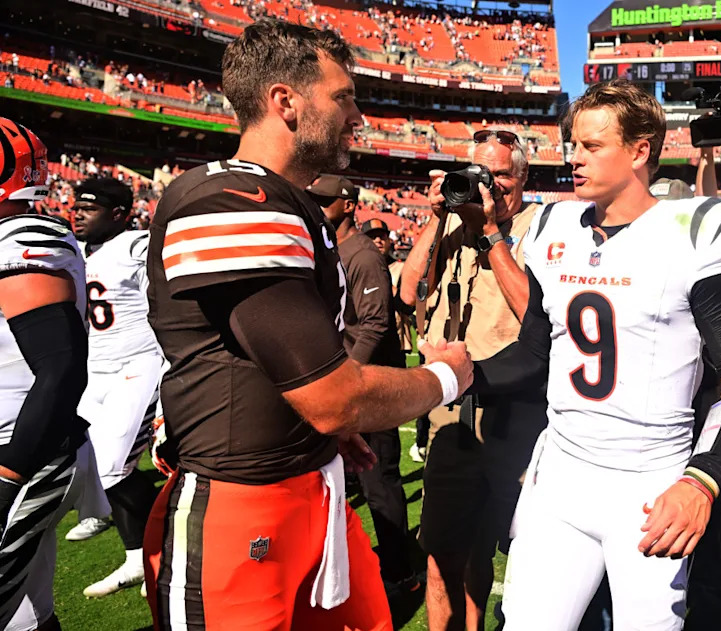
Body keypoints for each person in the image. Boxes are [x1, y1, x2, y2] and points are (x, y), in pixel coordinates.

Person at [143, 19, 471, 631]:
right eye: (344, 96)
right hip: (242, 506)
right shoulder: (230, 201)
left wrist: (315, 429)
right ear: (285, 102)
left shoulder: (291, 202)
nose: (360, 117)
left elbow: (277, 359)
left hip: (313, 487)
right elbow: (333, 398)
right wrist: (446, 378)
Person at [468, 79, 721, 630]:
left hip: (650, 485)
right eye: (572, 145)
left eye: (591, 146)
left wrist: (703, 479)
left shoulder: (693, 231)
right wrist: (460, 375)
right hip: (560, 476)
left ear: (640, 149)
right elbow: (537, 351)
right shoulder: (555, 229)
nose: (574, 159)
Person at [397, 127, 547, 631]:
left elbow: (535, 315)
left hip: (511, 412)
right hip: (449, 414)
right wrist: (436, 218)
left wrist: (491, 236)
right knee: (441, 556)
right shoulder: (451, 225)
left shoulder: (541, 229)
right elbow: (407, 290)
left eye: (501, 174)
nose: (491, 185)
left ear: (523, 177)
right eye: (481, 174)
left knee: (507, 551)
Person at [0, 117, 107, 631]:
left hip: (25, 452)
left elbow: (60, 367)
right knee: (26, 611)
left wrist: (6, 478)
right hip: (31, 443)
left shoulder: (20, 238)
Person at [311, 175, 418, 594]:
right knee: (338, 480)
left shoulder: (363, 254)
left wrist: (346, 375)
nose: (316, 206)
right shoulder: (332, 250)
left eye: (324, 200)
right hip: (343, 380)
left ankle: (400, 572)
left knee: (380, 482)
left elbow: (375, 324)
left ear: (348, 204)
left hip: (368, 384)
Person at [65, 177, 164, 599]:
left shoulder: (137, 246)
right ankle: (135, 558)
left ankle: (158, 547)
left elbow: (167, 300)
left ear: (120, 214)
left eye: (90, 208)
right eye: (77, 206)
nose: (78, 213)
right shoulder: (75, 252)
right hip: (96, 371)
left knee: (109, 468)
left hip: (137, 367)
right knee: (84, 464)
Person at [361, 218, 424, 461]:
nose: (378, 240)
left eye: (382, 236)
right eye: (372, 236)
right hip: (363, 348)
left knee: (387, 419)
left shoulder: (400, 268)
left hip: (393, 345)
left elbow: (406, 304)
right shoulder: (355, 264)